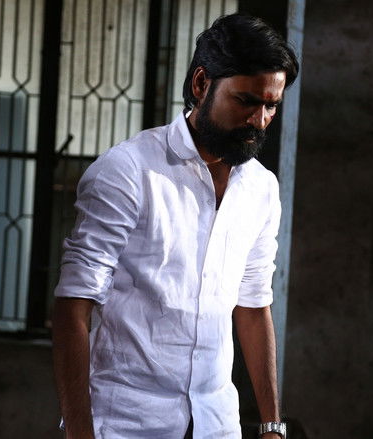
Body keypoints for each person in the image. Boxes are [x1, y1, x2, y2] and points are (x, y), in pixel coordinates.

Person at [51, 13, 298, 439]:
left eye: (271, 105)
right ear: (202, 84)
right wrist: (79, 433)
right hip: (127, 424)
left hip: (217, 424)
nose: (259, 120)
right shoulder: (128, 171)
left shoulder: (261, 188)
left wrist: (272, 425)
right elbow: (73, 305)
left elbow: (254, 305)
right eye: (245, 101)